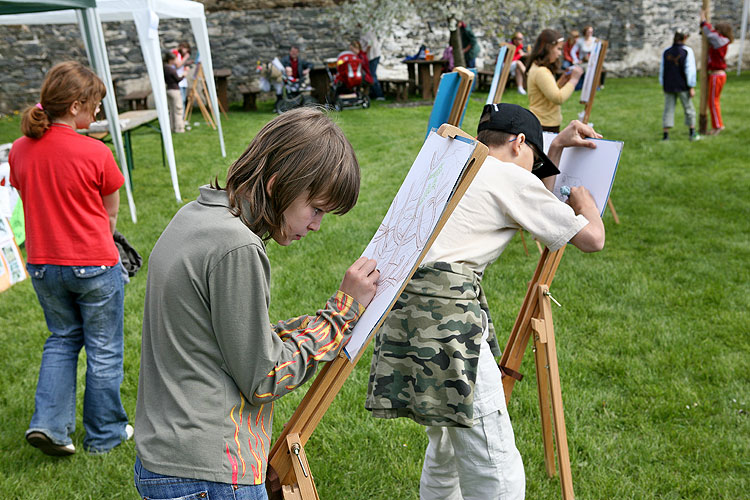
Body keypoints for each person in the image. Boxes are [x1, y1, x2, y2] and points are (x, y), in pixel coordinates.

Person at [133, 107, 379, 500]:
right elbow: (264, 377)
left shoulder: (195, 217)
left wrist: (311, 324)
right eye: (315, 208)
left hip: (169, 459)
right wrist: (340, 316)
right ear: (280, 183)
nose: (316, 224)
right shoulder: (237, 246)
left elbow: (225, 343)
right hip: (208, 471)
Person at [366, 102, 605, 500]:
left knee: (445, 441)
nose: (534, 173)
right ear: (518, 143)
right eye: (534, 160)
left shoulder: (459, 163)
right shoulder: (509, 175)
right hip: (445, 311)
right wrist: (586, 206)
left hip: (403, 302)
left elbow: (534, 203)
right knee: (492, 456)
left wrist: (557, 147)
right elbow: (591, 239)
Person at [9, 61, 131, 456]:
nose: (97, 112)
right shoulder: (96, 151)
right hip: (93, 264)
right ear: (76, 105)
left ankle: (49, 425)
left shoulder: (21, 150)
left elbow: (28, 196)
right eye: (94, 104)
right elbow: (110, 213)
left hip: (43, 265)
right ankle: (105, 434)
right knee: (104, 349)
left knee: (61, 340)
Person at [527, 29, 584, 133]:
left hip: (543, 121)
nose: (559, 53)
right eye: (558, 49)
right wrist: (574, 80)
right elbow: (558, 98)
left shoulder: (538, 68)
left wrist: (562, 82)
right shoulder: (541, 71)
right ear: (548, 48)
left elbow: (547, 93)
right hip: (544, 124)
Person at [659, 31, 698, 141]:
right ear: (685, 37)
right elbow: (689, 70)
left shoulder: (666, 52)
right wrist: (691, 86)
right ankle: (692, 132)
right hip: (682, 85)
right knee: (689, 108)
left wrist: (663, 83)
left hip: (669, 85)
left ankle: (666, 135)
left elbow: (662, 70)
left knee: (668, 109)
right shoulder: (687, 51)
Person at [700, 9, 734, 135]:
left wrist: (703, 19)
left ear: (720, 31)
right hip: (720, 74)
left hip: (716, 75)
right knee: (715, 101)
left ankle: (718, 126)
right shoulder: (723, 41)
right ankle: (718, 124)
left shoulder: (719, 40)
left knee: (713, 102)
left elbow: (709, 33)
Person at [163, 50, 185, 133]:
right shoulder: (170, 69)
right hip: (174, 90)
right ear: (170, 60)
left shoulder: (164, 68)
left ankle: (172, 127)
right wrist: (184, 74)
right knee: (178, 110)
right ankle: (179, 128)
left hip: (169, 89)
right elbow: (178, 79)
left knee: (172, 111)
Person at [361, 29, 385, 100]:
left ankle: (379, 95)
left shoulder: (367, 31)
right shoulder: (364, 31)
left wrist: (365, 52)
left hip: (372, 56)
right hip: (370, 56)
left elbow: (370, 43)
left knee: (372, 75)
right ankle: (373, 93)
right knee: (370, 75)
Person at [171, 41, 192, 106]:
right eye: (186, 50)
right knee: (179, 101)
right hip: (177, 80)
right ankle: (180, 116)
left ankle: (182, 116)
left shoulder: (179, 55)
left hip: (182, 81)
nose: (186, 52)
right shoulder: (175, 53)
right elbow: (177, 65)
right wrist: (185, 58)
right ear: (182, 47)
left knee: (183, 100)